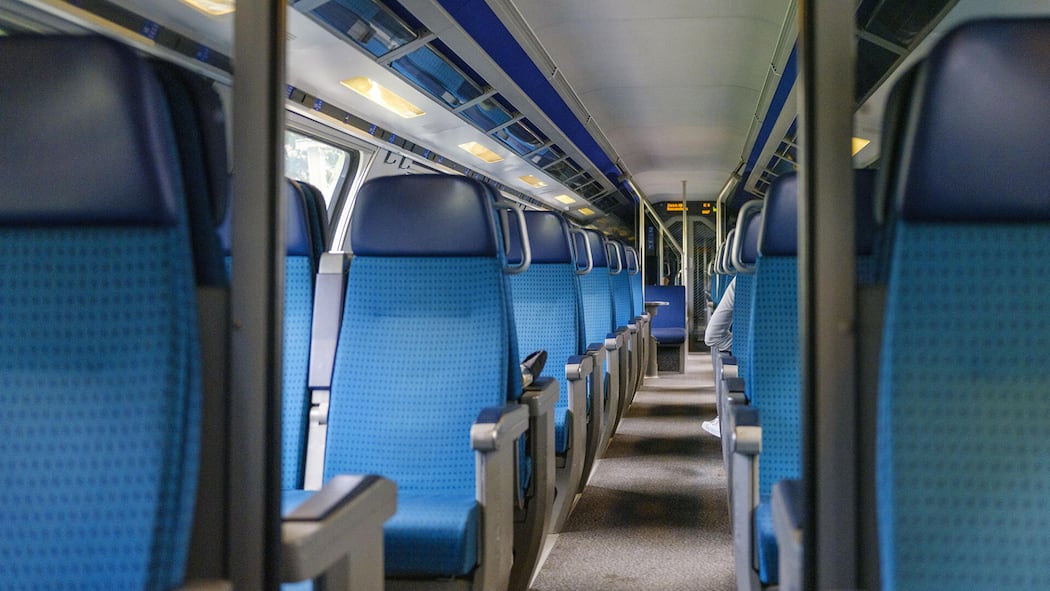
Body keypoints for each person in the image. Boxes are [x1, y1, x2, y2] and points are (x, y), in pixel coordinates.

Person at [702, 277, 735, 437]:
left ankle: (726, 419)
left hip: (765, 365)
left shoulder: (745, 278)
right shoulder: (821, 271)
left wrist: (745, 346)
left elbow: (712, 336)